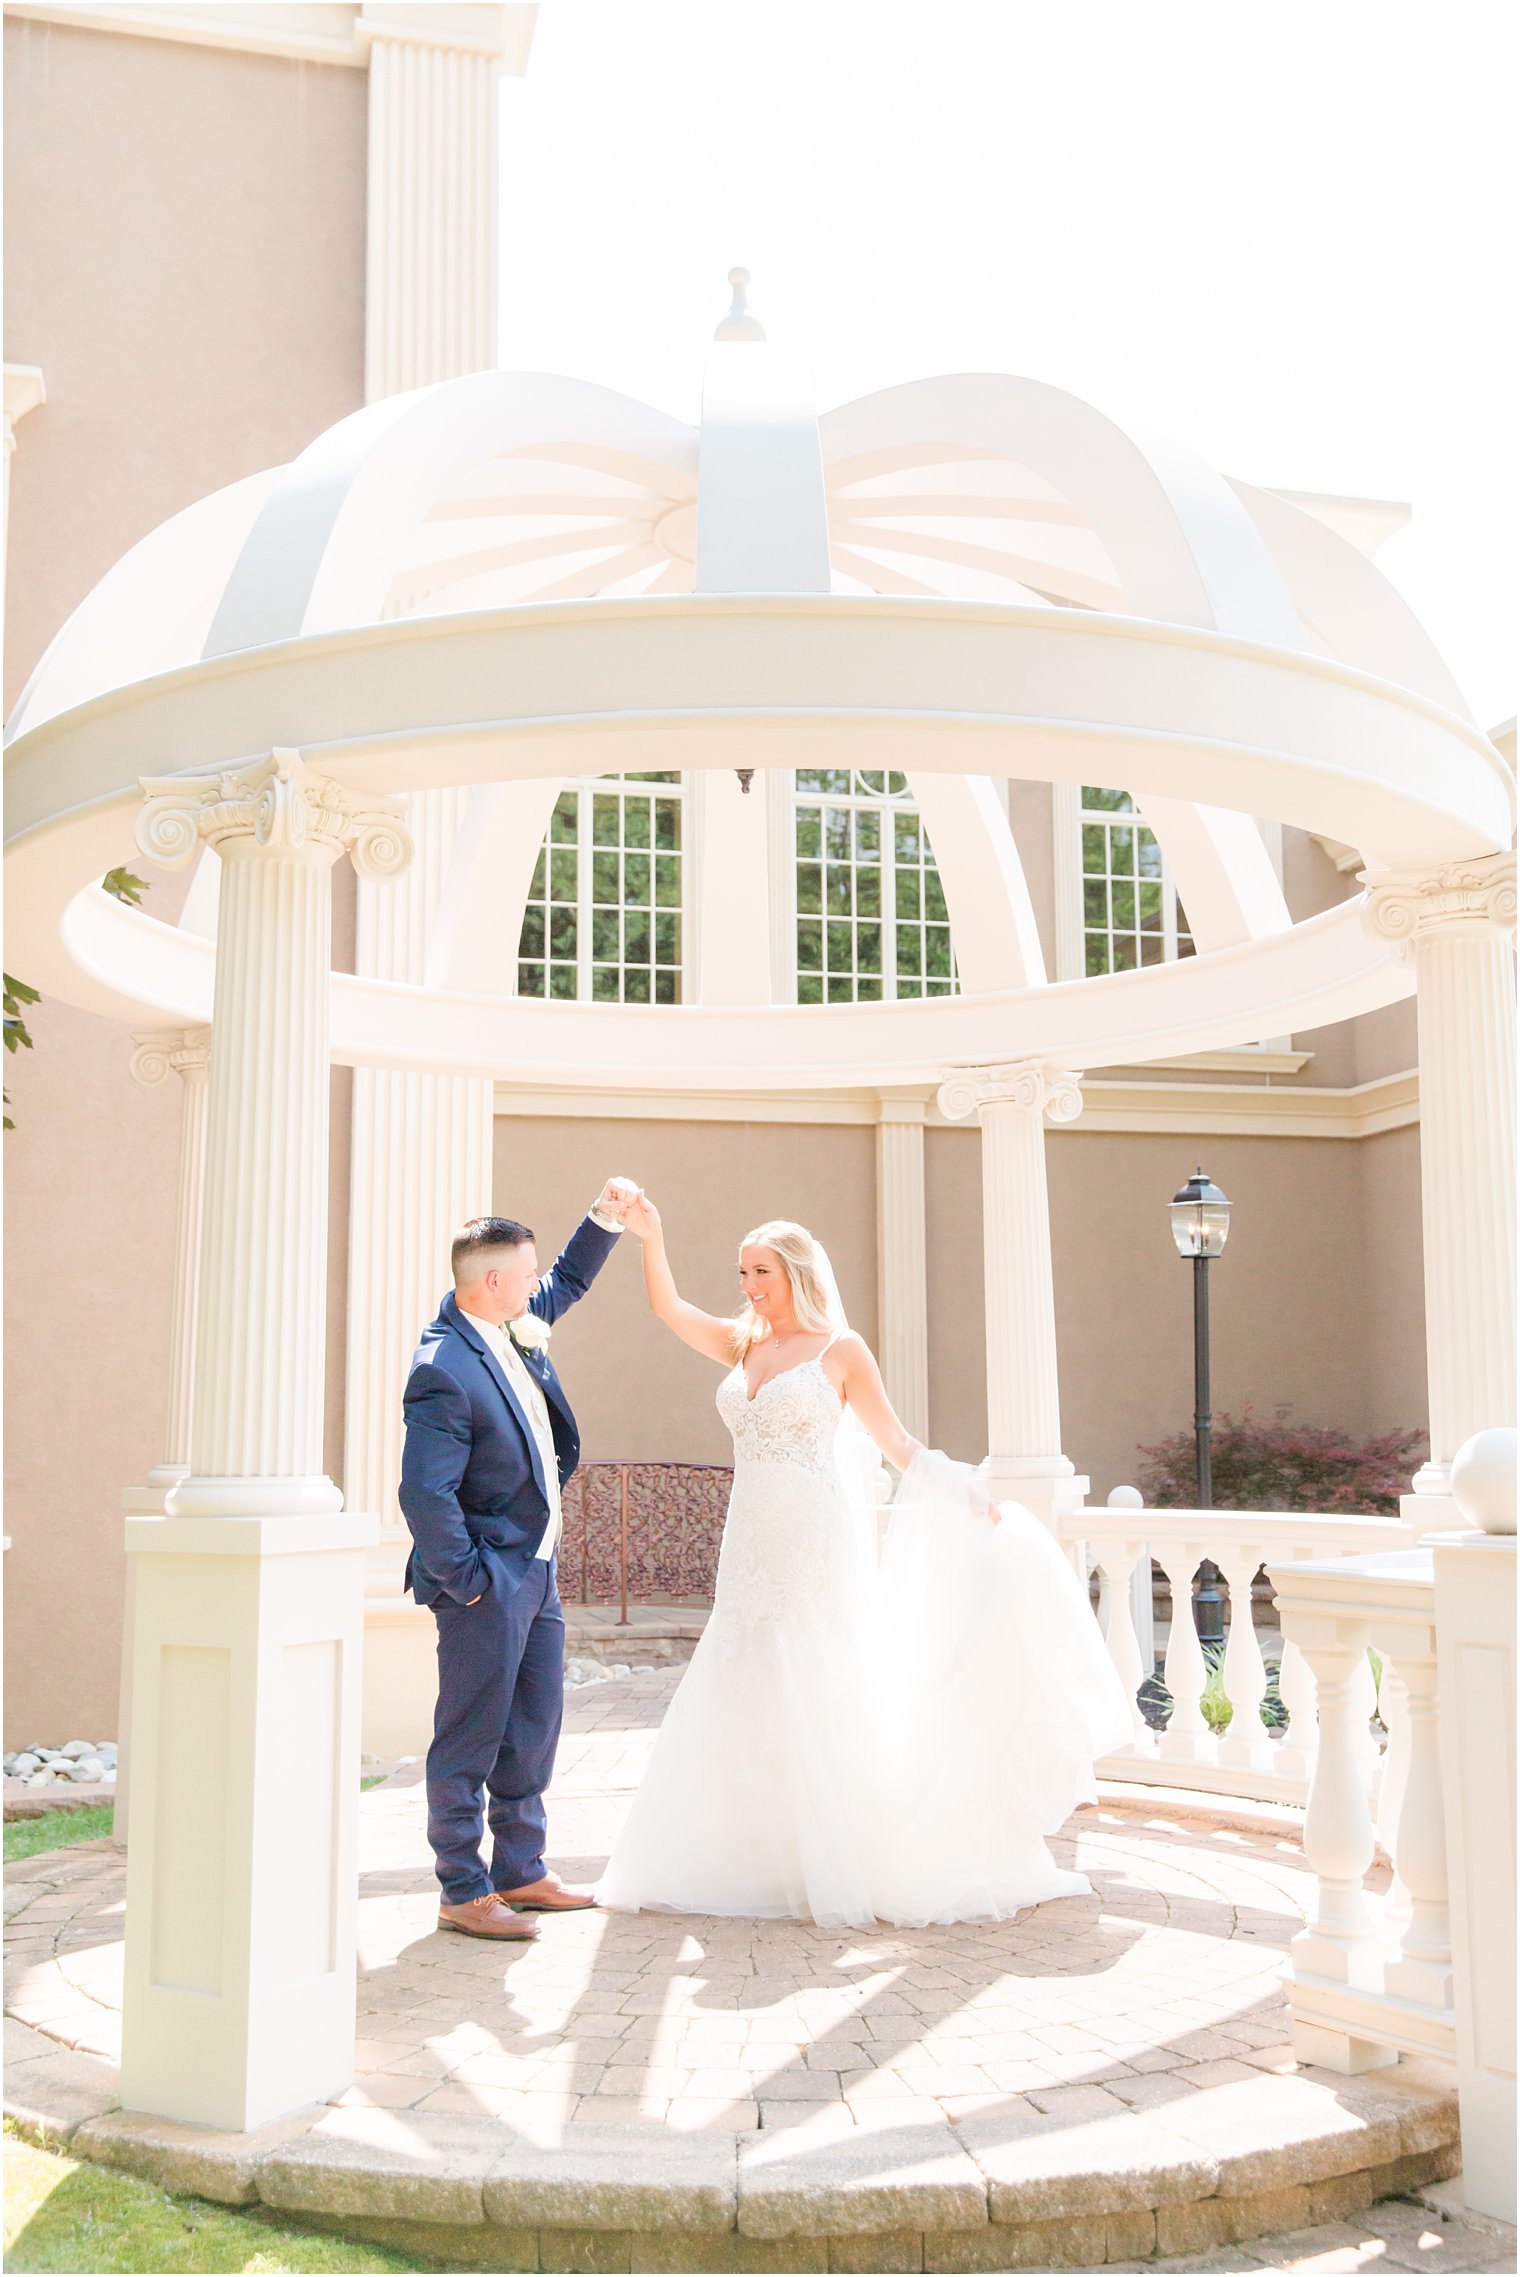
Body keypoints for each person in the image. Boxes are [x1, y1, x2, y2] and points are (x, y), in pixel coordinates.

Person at [598, 1202, 1133, 1928]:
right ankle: (753, 1850)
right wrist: (652, 1234)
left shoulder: (840, 1349)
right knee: (742, 1664)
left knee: (815, 1667)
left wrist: (965, 1490)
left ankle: (839, 1851)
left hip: (811, 1534)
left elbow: (897, 1441)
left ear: (795, 1272)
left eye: (763, 1271)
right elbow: (668, 1306)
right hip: (750, 1534)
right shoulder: (743, 1342)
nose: (751, 1284)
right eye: (744, 1272)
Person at [399, 1183, 636, 1940]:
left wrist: (603, 1217)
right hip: (488, 1582)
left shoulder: (514, 1323)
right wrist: (469, 1580)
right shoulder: (443, 1365)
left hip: (537, 1570)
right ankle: (462, 1888)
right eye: (525, 1273)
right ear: (491, 1281)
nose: (539, 1284)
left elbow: (564, 1279)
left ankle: (522, 1869)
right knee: (470, 1735)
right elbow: (423, 1489)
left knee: (532, 1725)